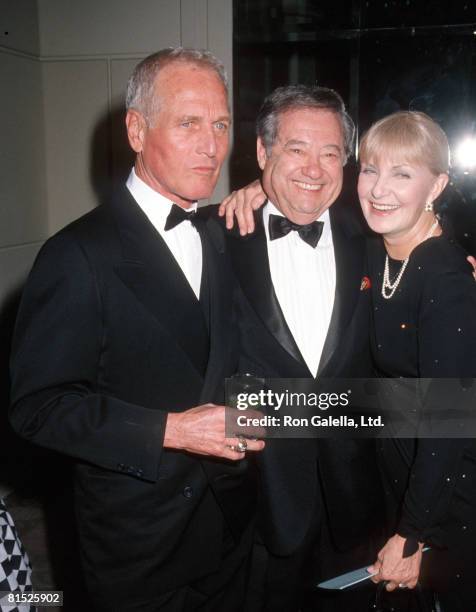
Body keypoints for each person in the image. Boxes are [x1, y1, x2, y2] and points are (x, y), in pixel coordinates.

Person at [9, 47, 264, 612]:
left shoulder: (225, 231)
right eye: (189, 122)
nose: (211, 145)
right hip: (141, 549)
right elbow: (37, 407)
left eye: (221, 124)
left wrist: (430, 252)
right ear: (136, 130)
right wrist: (169, 431)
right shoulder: (76, 254)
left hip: (231, 527)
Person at [219, 85, 385, 612]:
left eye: (331, 152)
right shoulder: (216, 238)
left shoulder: (376, 238)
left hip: (356, 497)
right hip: (255, 501)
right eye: (296, 149)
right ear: (263, 153)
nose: (315, 168)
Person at [358, 111, 476, 611]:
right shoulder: (378, 249)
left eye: (402, 174)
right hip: (403, 471)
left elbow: (449, 419)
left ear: (438, 185)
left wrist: (412, 533)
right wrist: (256, 190)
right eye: (369, 169)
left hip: (449, 487)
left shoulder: (444, 276)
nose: (379, 189)